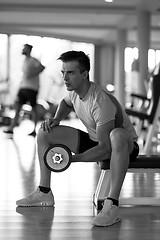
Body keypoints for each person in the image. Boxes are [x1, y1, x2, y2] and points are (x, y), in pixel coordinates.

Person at [16, 51, 139, 227]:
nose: (65, 78)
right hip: (96, 140)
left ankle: (112, 205)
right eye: (63, 72)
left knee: (117, 135)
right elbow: (66, 103)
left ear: (84, 74)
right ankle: (44, 191)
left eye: (71, 73)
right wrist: (56, 119)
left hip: (123, 146)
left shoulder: (100, 101)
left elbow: (105, 149)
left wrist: (72, 159)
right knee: (45, 131)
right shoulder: (74, 91)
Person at [4, 44, 45, 136]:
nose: (23, 49)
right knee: (18, 107)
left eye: (25, 48)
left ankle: (34, 130)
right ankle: (11, 128)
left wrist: (32, 74)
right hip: (23, 87)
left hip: (32, 88)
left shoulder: (33, 60)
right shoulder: (25, 61)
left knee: (33, 108)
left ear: (29, 49)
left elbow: (42, 67)